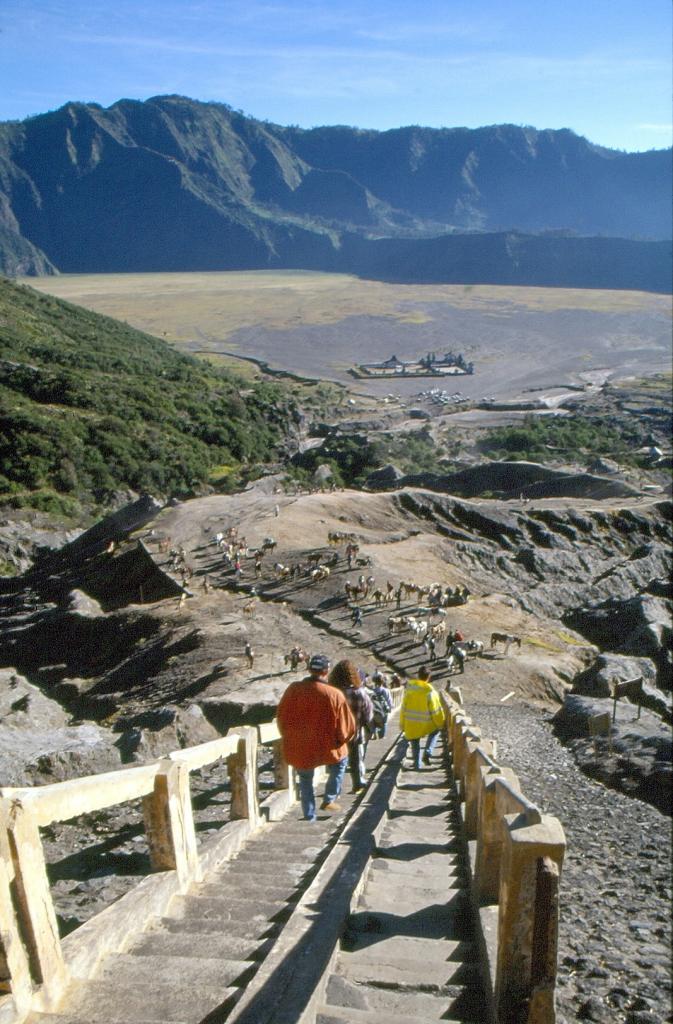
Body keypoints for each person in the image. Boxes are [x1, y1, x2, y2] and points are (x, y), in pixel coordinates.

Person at [277, 654, 355, 822]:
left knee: (305, 779)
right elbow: (346, 727)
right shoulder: (334, 694)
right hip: (327, 745)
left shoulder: (293, 689)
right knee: (341, 761)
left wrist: (289, 737)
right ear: (326, 671)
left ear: (309, 669)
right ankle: (329, 798)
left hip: (301, 745)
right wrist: (341, 741)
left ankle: (309, 816)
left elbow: (282, 717)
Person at [328, 660, 373, 793]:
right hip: (354, 732)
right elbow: (368, 714)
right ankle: (357, 783)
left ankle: (336, 789)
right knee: (355, 760)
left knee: (336, 762)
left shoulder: (333, 693)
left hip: (336, 733)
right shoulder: (360, 692)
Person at [400, 665, 445, 770]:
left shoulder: (409, 690)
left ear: (418, 676)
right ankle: (428, 752)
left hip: (411, 722)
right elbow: (436, 710)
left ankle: (417, 764)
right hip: (425, 723)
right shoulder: (430, 692)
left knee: (414, 741)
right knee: (435, 731)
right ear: (428, 677)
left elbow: (403, 708)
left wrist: (402, 724)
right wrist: (440, 723)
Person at [370, 673, 393, 739]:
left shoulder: (373, 690)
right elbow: (389, 700)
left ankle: (374, 734)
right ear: (382, 682)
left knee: (374, 721)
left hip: (375, 709)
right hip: (384, 709)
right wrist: (390, 707)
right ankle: (382, 736)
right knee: (384, 722)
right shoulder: (386, 690)